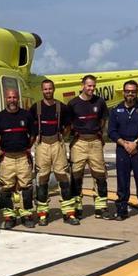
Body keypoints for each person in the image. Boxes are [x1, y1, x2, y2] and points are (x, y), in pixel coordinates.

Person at [30, 79, 78, 226]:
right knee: (41, 178)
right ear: (41, 90)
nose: (48, 91)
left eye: (50, 89)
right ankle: (42, 213)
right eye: (45, 89)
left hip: (57, 144)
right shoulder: (35, 108)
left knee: (63, 177)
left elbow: (68, 125)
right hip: (42, 145)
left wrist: (62, 136)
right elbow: (30, 126)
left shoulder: (61, 107)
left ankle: (69, 213)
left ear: (54, 89)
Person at [0, 88, 38, 229]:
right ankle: (9, 217)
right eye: (9, 97)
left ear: (18, 98)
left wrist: (27, 148)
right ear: (6, 99)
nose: (12, 100)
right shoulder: (0, 117)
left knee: (26, 187)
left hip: (23, 157)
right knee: (6, 188)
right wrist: (1, 150)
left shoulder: (26, 115)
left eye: (14, 97)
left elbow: (33, 135)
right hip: (7, 158)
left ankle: (26, 215)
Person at [108, 80, 138, 221]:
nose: (130, 94)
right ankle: (122, 210)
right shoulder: (116, 110)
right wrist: (124, 144)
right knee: (122, 182)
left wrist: (136, 143)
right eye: (127, 91)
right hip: (122, 149)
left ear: (136, 93)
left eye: (133, 91)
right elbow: (112, 131)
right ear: (123, 92)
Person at [68, 75, 112, 219]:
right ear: (83, 86)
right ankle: (77, 206)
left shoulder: (99, 102)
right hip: (79, 142)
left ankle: (101, 207)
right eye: (89, 86)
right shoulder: (73, 103)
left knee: (100, 174)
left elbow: (103, 120)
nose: (91, 89)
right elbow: (68, 124)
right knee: (76, 174)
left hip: (95, 142)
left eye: (93, 86)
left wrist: (99, 136)